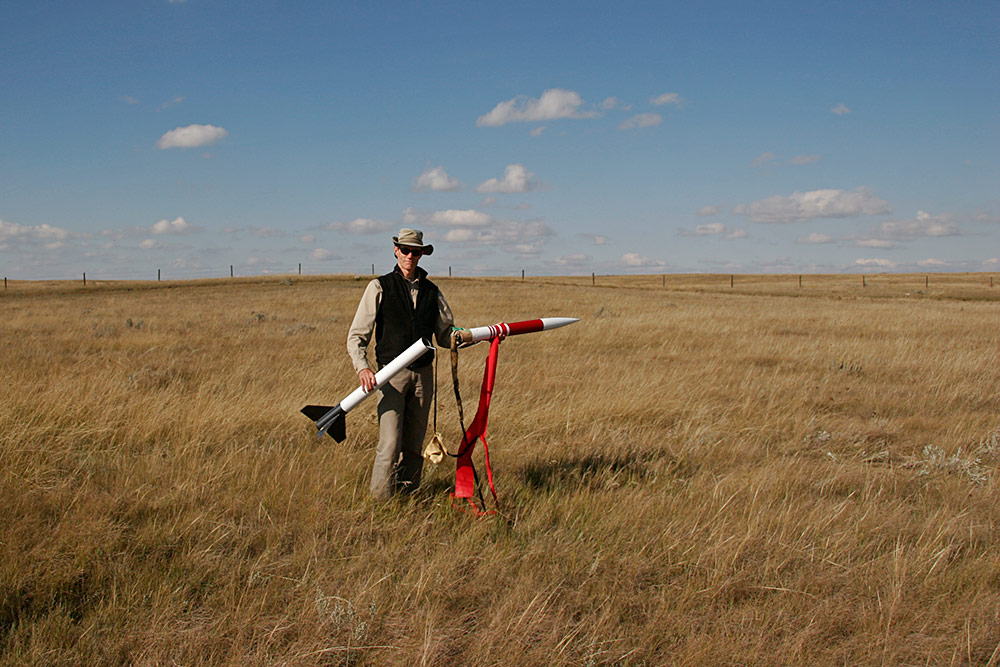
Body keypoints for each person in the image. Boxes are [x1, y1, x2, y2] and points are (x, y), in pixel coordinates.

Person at [347, 228, 455, 498]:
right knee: (390, 443)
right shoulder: (379, 286)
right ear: (396, 250)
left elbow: (445, 336)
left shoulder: (432, 291)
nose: (409, 255)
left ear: (421, 254)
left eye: (415, 251)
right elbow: (357, 336)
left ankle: (409, 497)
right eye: (405, 250)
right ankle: (380, 501)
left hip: (424, 377)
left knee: (414, 443)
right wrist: (363, 367)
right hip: (391, 377)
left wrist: (474, 337)